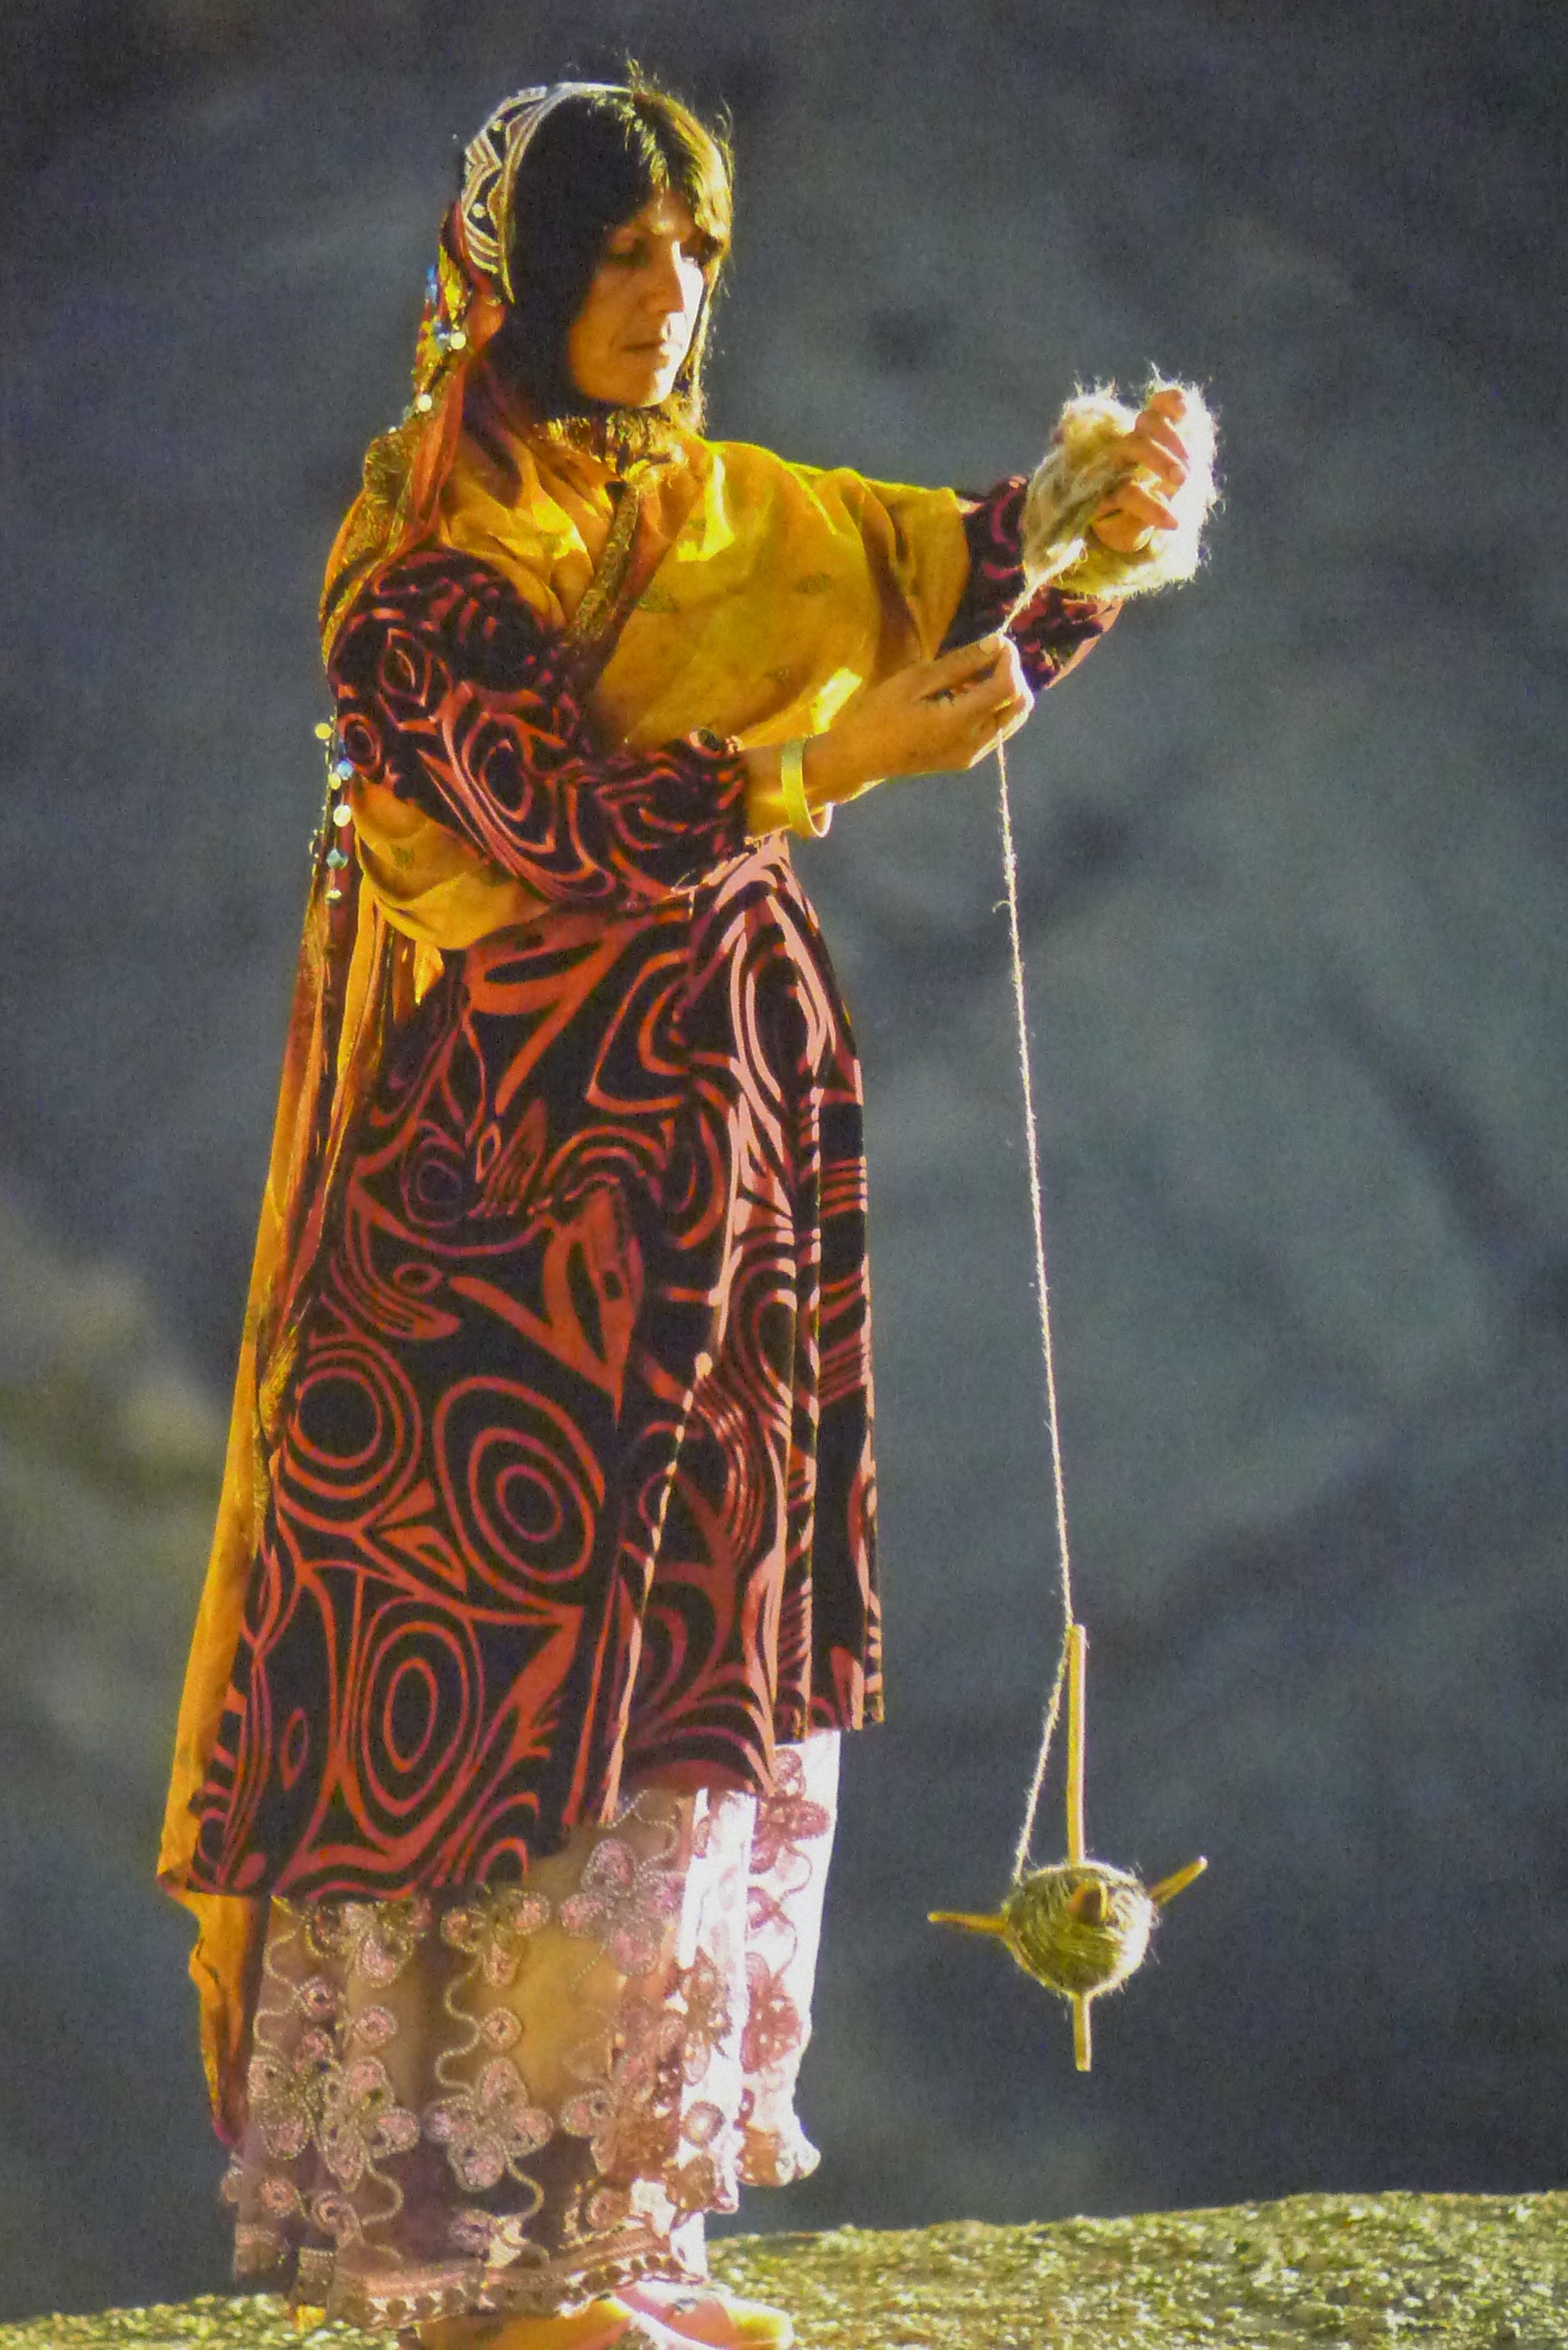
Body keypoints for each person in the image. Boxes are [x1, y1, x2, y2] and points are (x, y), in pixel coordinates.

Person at [159, 73, 1213, 2350]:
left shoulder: (729, 518)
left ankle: (623, 2238)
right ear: (523, 281)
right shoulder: (428, 565)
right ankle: (494, 2263)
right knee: (529, 1704)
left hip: (721, 1189)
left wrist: (1105, 524)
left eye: (696, 254)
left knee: (691, 1693)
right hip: (500, 1221)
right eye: (625, 254)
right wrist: (834, 762)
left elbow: (961, 589)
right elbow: (564, 827)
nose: (672, 297)